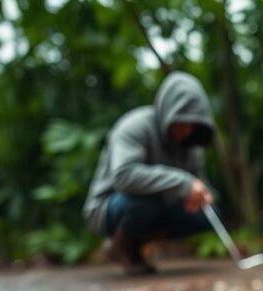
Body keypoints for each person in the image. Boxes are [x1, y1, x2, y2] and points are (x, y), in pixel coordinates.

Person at [83, 71, 217, 274]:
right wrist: (183, 184)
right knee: (144, 204)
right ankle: (121, 244)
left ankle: (137, 244)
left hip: (161, 204)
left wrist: (200, 195)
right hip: (111, 205)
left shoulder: (191, 145)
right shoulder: (134, 126)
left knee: (209, 213)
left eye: (191, 124)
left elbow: (197, 180)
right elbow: (123, 176)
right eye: (180, 121)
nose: (186, 130)